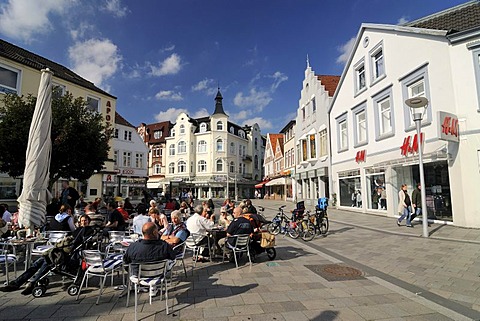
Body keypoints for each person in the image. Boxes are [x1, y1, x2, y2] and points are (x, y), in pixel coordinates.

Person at [0, 214, 95, 295]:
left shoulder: (88, 231)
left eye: (85, 220)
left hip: (68, 257)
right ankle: (17, 283)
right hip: (61, 253)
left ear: (89, 221)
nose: (83, 222)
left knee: (47, 262)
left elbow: (77, 244)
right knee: (37, 263)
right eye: (82, 221)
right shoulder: (77, 230)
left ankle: (32, 282)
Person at [123, 222, 176, 297]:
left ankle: (135, 287)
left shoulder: (133, 247)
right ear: (154, 232)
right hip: (158, 275)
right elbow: (173, 257)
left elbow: (126, 261)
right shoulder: (164, 246)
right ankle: (153, 288)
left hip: (138, 276)